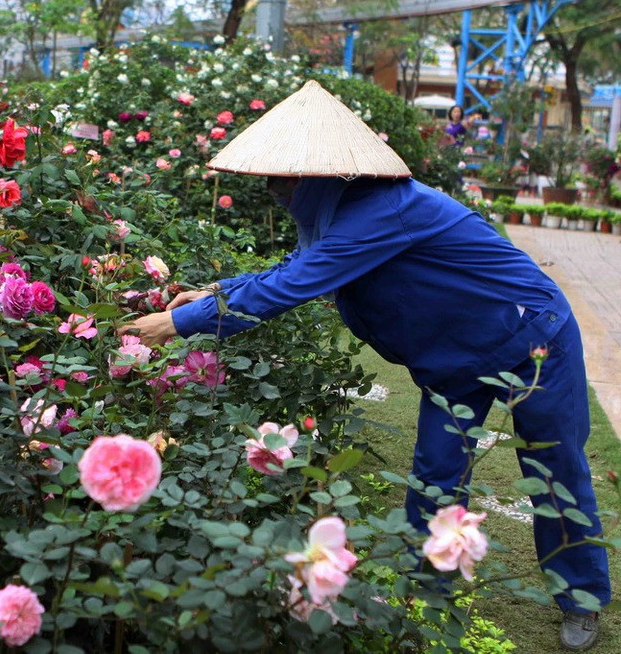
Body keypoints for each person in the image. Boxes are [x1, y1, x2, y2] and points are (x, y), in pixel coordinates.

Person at [124, 81, 610, 652]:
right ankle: (426, 593)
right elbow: (299, 264)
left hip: (531, 338)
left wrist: (176, 324)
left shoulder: (384, 210)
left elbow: (293, 285)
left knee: (554, 469)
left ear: (317, 173)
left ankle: (581, 599)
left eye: (281, 180)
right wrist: (217, 292)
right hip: (452, 356)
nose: (274, 192)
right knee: (435, 475)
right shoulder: (341, 213)